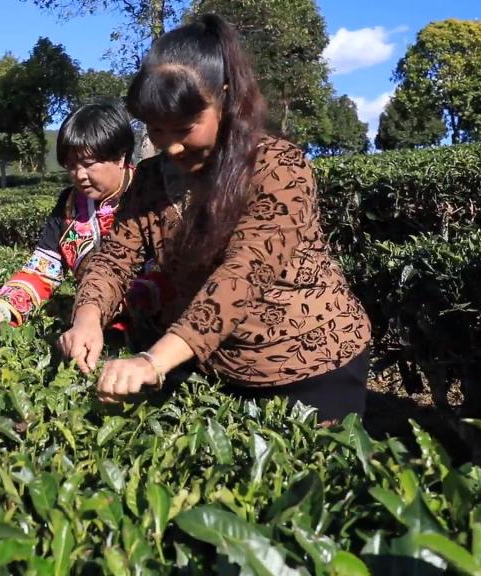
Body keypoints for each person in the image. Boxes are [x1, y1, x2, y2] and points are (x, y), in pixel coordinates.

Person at [59, 14, 372, 423]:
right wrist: (87, 318)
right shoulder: (151, 180)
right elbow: (116, 258)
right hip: (209, 364)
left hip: (309, 363)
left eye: (185, 128)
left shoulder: (279, 167)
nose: (169, 147)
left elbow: (242, 277)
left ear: (224, 98)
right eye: (156, 129)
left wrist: (153, 361)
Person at [0, 103, 171, 337]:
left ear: (120, 156)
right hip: (90, 323)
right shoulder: (69, 205)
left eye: (88, 164)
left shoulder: (153, 195)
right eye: (72, 166)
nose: (80, 175)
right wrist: (1, 309)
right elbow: (43, 268)